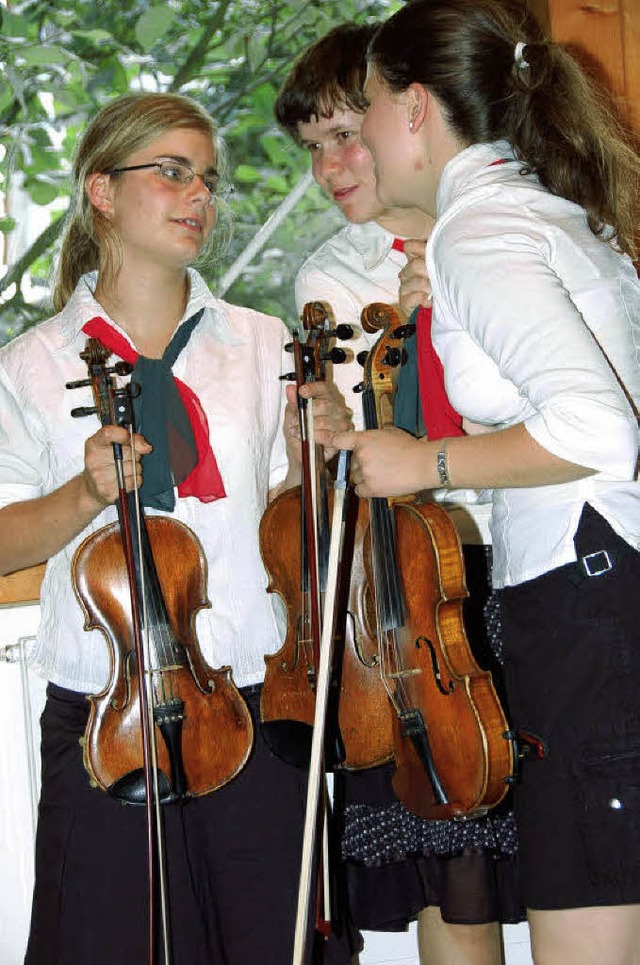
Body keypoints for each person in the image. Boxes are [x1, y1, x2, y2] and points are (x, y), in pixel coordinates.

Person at [0, 91, 355, 965]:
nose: (199, 195)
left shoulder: (264, 341)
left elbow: (301, 530)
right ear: (102, 191)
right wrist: (82, 495)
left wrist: (330, 454)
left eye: (206, 179)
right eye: (170, 173)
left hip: (252, 700)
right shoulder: (32, 363)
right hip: (105, 715)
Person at [334, 2, 640, 963]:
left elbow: (598, 431)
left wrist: (416, 462)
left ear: (415, 108)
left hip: (584, 588)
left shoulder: (482, 231)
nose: (367, 134)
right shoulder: (541, 211)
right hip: (604, 582)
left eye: (372, 104)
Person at [276, 22, 524, 965]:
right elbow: (347, 460)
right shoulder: (334, 277)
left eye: (346, 133)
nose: (332, 166)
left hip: (535, 561)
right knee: (453, 873)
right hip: (418, 589)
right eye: (312, 148)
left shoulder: (509, 227)